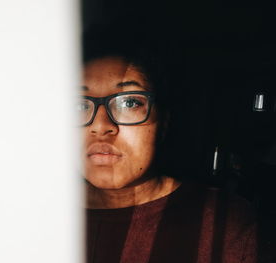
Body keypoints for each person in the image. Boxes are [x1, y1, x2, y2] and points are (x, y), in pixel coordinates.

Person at [80, 29, 258, 263]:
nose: (101, 126)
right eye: (78, 106)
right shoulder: (32, 208)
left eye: (130, 102)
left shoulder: (224, 220)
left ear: (163, 122)